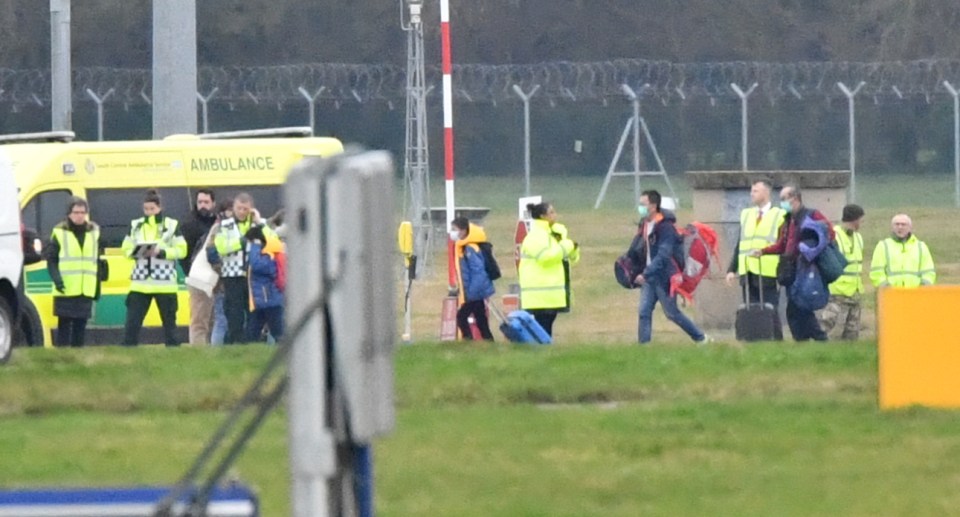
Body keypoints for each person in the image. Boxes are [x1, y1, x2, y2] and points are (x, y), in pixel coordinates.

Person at [755, 184, 834, 342]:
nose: (782, 202)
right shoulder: (787, 220)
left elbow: (829, 233)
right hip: (791, 269)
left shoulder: (812, 215)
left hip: (806, 268)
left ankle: (818, 338)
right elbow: (782, 245)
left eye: (784, 199)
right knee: (795, 308)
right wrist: (763, 251)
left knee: (800, 306)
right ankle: (804, 340)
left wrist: (811, 249)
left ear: (795, 198)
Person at [633, 190, 709, 344]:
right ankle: (643, 347)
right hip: (650, 277)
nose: (640, 207)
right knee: (644, 312)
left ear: (653, 206)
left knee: (672, 313)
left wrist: (646, 273)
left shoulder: (666, 227)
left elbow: (664, 255)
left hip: (664, 277)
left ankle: (700, 338)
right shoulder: (645, 224)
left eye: (643, 204)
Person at [121, 189, 187, 346]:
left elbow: (182, 250)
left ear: (160, 208)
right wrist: (137, 252)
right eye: (146, 209)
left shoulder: (171, 225)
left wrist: (162, 252)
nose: (149, 212)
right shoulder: (135, 225)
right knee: (132, 323)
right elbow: (125, 248)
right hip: (140, 283)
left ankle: (173, 351)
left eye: (152, 209)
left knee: (170, 326)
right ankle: (127, 350)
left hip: (164, 283)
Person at [725, 179, 785, 340]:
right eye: (751, 191)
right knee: (751, 309)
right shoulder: (747, 214)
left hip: (768, 272)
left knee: (770, 310)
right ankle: (753, 340)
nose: (752, 194)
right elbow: (741, 244)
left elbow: (783, 244)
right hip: (748, 271)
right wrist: (732, 269)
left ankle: (775, 341)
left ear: (766, 193)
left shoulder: (779, 215)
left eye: (756, 191)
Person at [44, 196, 102, 347]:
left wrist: (97, 286)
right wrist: (56, 279)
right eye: (76, 212)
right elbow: (51, 259)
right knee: (64, 326)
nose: (79, 216)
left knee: (80, 327)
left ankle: (77, 358)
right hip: (65, 287)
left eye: (83, 212)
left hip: (85, 288)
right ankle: (63, 357)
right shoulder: (59, 232)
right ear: (69, 213)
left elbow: (96, 261)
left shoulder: (94, 232)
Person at [518, 201, 579, 337]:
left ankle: (543, 351)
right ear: (542, 216)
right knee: (543, 326)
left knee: (546, 325)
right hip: (540, 294)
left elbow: (569, 257)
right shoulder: (536, 236)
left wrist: (571, 249)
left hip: (551, 293)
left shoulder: (553, 233)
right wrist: (566, 246)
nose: (555, 215)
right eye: (551, 212)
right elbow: (546, 257)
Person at [213, 193, 265, 344]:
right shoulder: (225, 225)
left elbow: (271, 242)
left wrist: (259, 221)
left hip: (253, 275)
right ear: (234, 208)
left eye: (245, 209)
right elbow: (221, 247)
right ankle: (234, 342)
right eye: (239, 208)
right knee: (234, 312)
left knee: (253, 312)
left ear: (251, 209)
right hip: (232, 275)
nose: (242, 211)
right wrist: (242, 241)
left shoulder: (257, 225)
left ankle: (251, 342)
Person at [816, 204, 866, 340]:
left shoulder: (858, 238)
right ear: (855, 220)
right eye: (861, 219)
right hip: (837, 293)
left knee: (852, 333)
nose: (862, 223)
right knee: (828, 328)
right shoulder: (834, 236)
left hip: (854, 292)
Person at [181, 189, 217, 345]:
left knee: (213, 321)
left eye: (206, 202)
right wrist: (191, 273)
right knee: (199, 320)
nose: (203, 205)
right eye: (200, 202)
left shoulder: (216, 223)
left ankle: (210, 353)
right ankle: (198, 353)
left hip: (215, 279)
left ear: (213, 204)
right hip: (198, 279)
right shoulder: (189, 225)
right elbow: (183, 254)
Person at [451, 217, 495, 341]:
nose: (452, 232)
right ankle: (489, 341)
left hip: (474, 291)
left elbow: (478, 272)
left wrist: (471, 292)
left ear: (464, 231)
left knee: (461, 317)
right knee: (481, 318)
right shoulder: (464, 246)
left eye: (454, 229)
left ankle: (468, 340)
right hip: (474, 291)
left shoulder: (469, 248)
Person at [869, 213, 935, 288]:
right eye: (897, 224)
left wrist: (922, 288)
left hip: (915, 295)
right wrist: (887, 289)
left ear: (910, 227)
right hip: (890, 295)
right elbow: (876, 273)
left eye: (903, 224)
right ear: (892, 227)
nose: (900, 227)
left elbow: (929, 272)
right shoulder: (883, 246)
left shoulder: (921, 247)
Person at [244, 225, 285, 342]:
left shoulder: (270, 254)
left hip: (269, 300)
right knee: (252, 334)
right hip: (262, 300)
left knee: (278, 333)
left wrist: (255, 245)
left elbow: (257, 265)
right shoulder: (269, 252)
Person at [207, 198, 233, 346]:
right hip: (222, 282)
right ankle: (216, 351)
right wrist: (223, 269)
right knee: (221, 319)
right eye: (229, 210)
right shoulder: (218, 228)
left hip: (237, 281)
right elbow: (211, 252)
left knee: (229, 319)